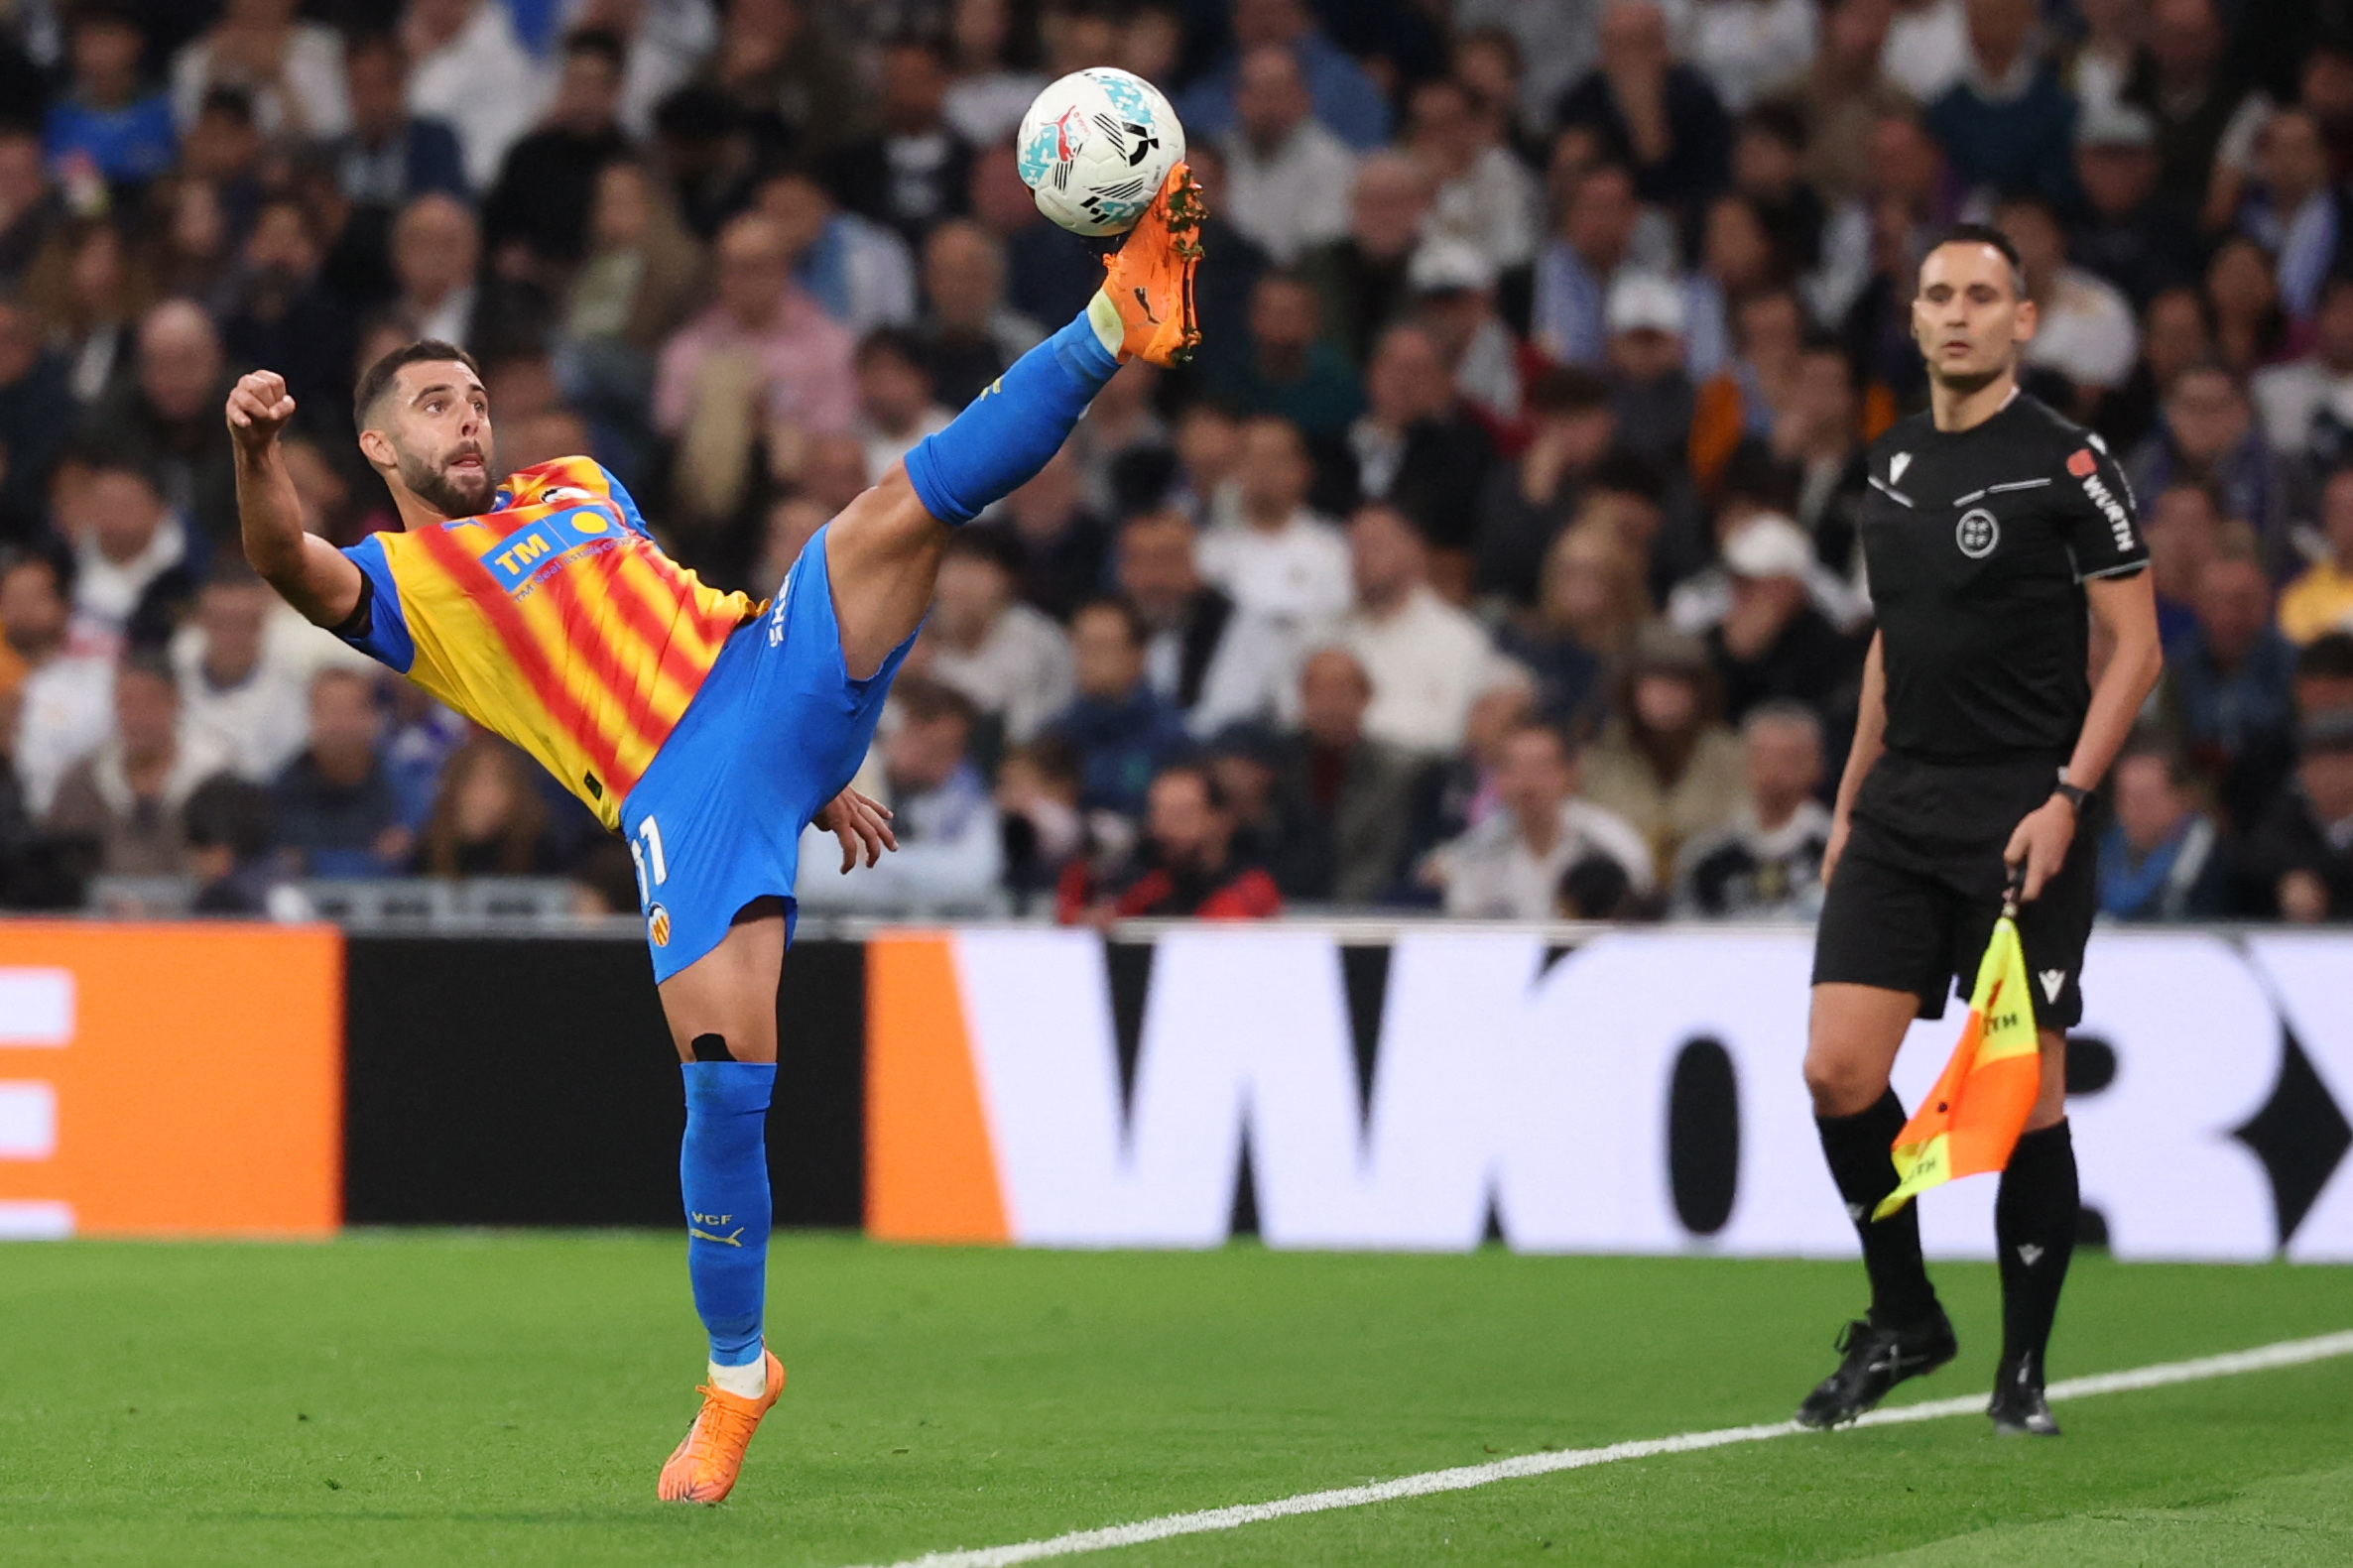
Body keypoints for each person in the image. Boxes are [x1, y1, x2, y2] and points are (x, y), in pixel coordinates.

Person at [228, 162, 1203, 1504]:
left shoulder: (576, 481)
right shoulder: (406, 587)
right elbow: (285, 561)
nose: (468, 421)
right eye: (433, 407)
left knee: (896, 510)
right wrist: (253, 451)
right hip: (676, 798)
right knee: (726, 1085)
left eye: (473, 398)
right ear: (384, 452)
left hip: (759, 674)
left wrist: (804, 762)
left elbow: (666, 601)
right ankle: (737, 1374)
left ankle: (1119, 316)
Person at [1800, 224, 2162, 1436]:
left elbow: (2136, 652)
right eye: (1936, 295)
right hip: (1902, 800)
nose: (1956, 314)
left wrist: (2064, 798)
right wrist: (1848, 807)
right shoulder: (1891, 465)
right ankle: (1904, 1313)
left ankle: (2022, 1378)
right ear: (1910, 318)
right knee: (1837, 1071)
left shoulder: (2066, 466)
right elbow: (1890, 649)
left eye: (1980, 296)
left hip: (2020, 804)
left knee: (2023, 1097)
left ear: (2022, 321)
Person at [794, 676, 1003, 915]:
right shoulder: (841, 774)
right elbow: (822, 877)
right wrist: (929, 874)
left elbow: (976, 877)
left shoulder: (961, 786)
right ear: (902, 731)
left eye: (956, 749)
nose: (949, 764)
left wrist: (880, 864)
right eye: (936, 748)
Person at [1427, 718, 1653, 919]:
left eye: (1540, 767)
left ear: (1569, 774)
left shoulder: (1609, 843)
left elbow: (1639, 917)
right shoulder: (1478, 849)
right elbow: (1464, 927)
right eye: (1512, 767)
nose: (1526, 782)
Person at [46, 650, 233, 879]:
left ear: (175, 701)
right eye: (126, 703)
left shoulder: (217, 782)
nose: (137, 717)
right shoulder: (82, 784)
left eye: (150, 703)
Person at [1053, 760, 1282, 924]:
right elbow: (1072, 917)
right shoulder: (1142, 881)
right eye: (1158, 815)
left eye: (1180, 816)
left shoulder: (1253, 885)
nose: (1164, 830)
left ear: (1220, 821)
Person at [1674, 699, 1833, 917]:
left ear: (1817, 763)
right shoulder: (1706, 856)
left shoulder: (1837, 850)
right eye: (1763, 757)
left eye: (1788, 759)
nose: (1773, 770)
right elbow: (1682, 930)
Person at [1041, 598, 1194, 821]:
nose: (1088, 658)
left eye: (1101, 647)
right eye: (1081, 645)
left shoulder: (1171, 738)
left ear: (1138, 655)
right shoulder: (1054, 734)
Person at [2096, 743, 2228, 921]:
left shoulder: (2216, 862)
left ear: (2183, 797)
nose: (2132, 811)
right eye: (2124, 798)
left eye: (2145, 799)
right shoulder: (2105, 850)